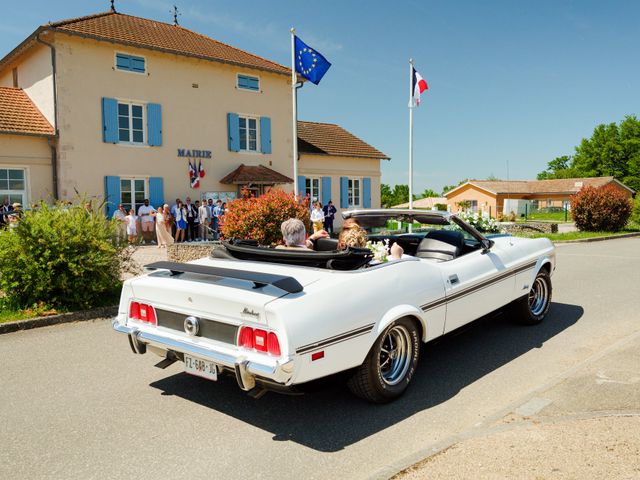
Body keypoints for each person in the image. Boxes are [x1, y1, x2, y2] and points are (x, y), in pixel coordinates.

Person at [339, 218, 404, 260]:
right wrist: (397, 257)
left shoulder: (333, 264)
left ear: (340, 245)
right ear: (364, 245)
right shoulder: (365, 266)